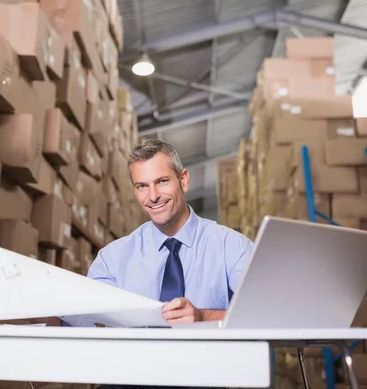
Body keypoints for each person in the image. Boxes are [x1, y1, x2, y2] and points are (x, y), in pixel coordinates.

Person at [58, 139, 254, 327]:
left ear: (183, 180)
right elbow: (88, 325)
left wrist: (203, 317)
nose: (153, 197)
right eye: (142, 186)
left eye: (161, 181)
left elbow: (266, 314)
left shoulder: (232, 247)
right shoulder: (112, 260)